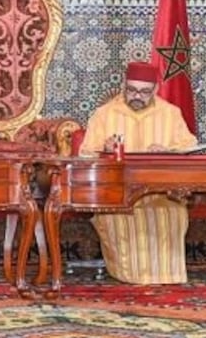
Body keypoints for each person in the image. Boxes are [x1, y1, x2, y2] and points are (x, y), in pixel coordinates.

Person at [77, 61, 197, 284]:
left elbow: (190, 148)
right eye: (131, 90)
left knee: (172, 213)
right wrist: (104, 148)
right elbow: (84, 155)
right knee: (122, 217)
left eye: (143, 92)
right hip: (118, 194)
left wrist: (169, 151)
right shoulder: (104, 114)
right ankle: (132, 274)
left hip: (161, 192)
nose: (136, 96)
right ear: (123, 85)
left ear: (155, 90)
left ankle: (169, 275)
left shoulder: (170, 113)